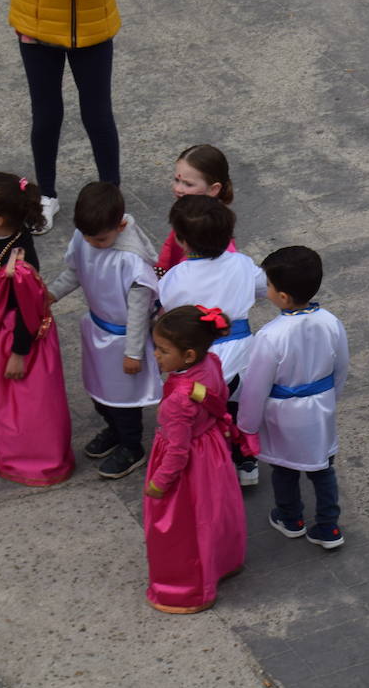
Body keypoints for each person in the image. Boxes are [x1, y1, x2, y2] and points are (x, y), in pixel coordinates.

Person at [235, 246, 349, 549]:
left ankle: (290, 517)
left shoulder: (271, 335)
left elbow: (255, 386)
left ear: (282, 296)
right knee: (322, 468)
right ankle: (328, 526)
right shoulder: (331, 321)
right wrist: (329, 398)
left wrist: (246, 425)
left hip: (283, 414)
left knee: (284, 468)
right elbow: (341, 368)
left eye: (269, 286)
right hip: (320, 408)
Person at [47, 182, 158, 478]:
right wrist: (52, 294)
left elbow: (138, 311)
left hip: (123, 340)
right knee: (99, 392)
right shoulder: (88, 237)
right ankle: (114, 429)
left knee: (124, 399)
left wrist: (134, 352)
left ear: (121, 225)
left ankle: (132, 445)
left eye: (100, 239)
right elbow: (76, 271)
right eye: (86, 237)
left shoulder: (131, 261)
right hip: (96, 330)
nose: (92, 243)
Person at [155, 195, 265, 485]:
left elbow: (168, 310)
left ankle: (216, 462)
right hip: (242, 355)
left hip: (201, 361)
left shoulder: (174, 278)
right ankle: (247, 460)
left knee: (208, 416)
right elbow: (264, 285)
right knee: (237, 408)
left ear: (181, 241)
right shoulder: (242, 263)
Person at [143, 305, 245, 613]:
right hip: (211, 447)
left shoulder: (176, 401)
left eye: (162, 350)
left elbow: (177, 452)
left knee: (186, 525)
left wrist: (159, 483)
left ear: (188, 355)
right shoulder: (211, 362)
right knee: (215, 509)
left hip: (188, 465)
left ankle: (187, 587)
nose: (156, 355)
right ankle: (224, 561)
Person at [9, 0, 122, 234]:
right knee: (45, 115)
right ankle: (46, 196)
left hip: (92, 23)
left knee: (98, 114)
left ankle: (111, 196)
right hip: (37, 25)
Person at [0, 173, 73, 485]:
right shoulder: (6, 234)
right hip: (2, 328)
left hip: (17, 337)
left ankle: (32, 460)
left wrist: (18, 353)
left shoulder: (22, 263)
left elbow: (29, 313)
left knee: (26, 405)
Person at [155, 144, 237, 276]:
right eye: (177, 180)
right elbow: (171, 244)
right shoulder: (187, 210)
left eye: (188, 184)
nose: (178, 189)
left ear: (213, 189)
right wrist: (162, 267)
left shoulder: (214, 226)